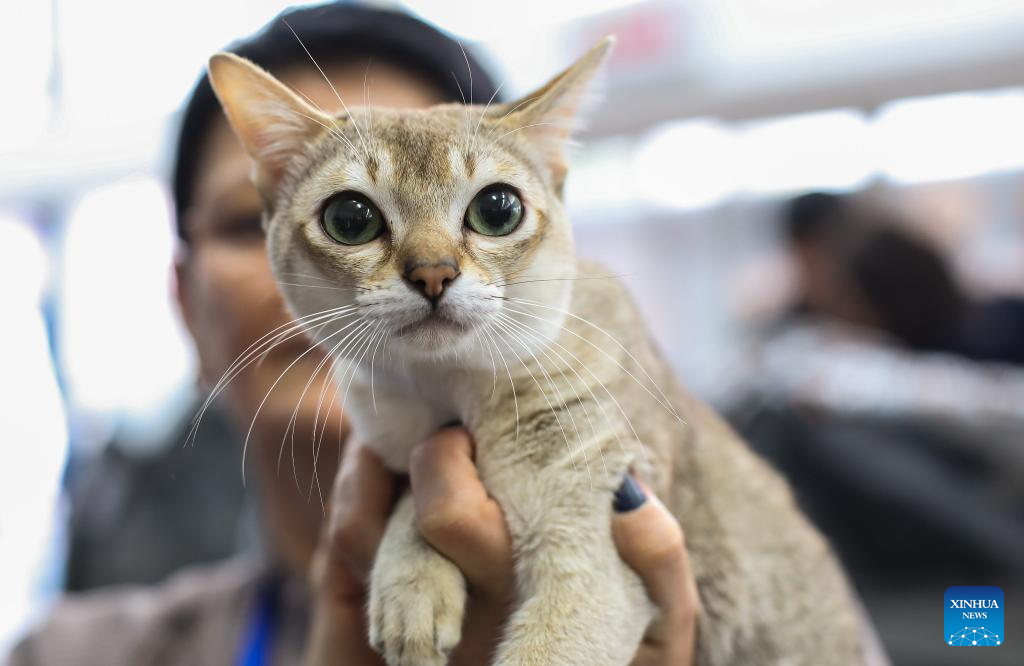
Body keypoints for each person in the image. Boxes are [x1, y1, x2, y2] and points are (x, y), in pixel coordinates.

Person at [6, 4, 698, 664]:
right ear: (184, 304)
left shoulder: (688, 580)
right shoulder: (67, 656)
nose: (431, 274)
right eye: (348, 218)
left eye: (488, 210)